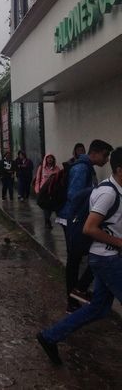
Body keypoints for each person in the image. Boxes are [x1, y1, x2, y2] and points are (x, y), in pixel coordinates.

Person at [37, 146, 122, 365]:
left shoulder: (117, 190)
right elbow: (89, 228)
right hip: (107, 259)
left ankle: (49, 337)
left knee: (98, 308)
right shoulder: (108, 193)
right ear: (120, 170)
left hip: (106, 258)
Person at [56, 139, 112, 313]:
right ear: (94, 153)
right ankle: (73, 300)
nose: (107, 159)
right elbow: (74, 195)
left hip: (77, 218)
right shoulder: (81, 168)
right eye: (105, 155)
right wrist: (96, 191)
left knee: (80, 257)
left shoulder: (86, 167)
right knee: (77, 259)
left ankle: (76, 295)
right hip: (73, 219)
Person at [34, 153, 61, 229]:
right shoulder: (41, 168)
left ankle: (49, 219)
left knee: (51, 206)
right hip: (44, 191)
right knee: (46, 207)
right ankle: (47, 221)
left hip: (53, 191)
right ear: (45, 159)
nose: (49, 159)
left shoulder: (57, 168)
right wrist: (37, 190)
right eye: (48, 158)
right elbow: (38, 179)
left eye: (51, 158)